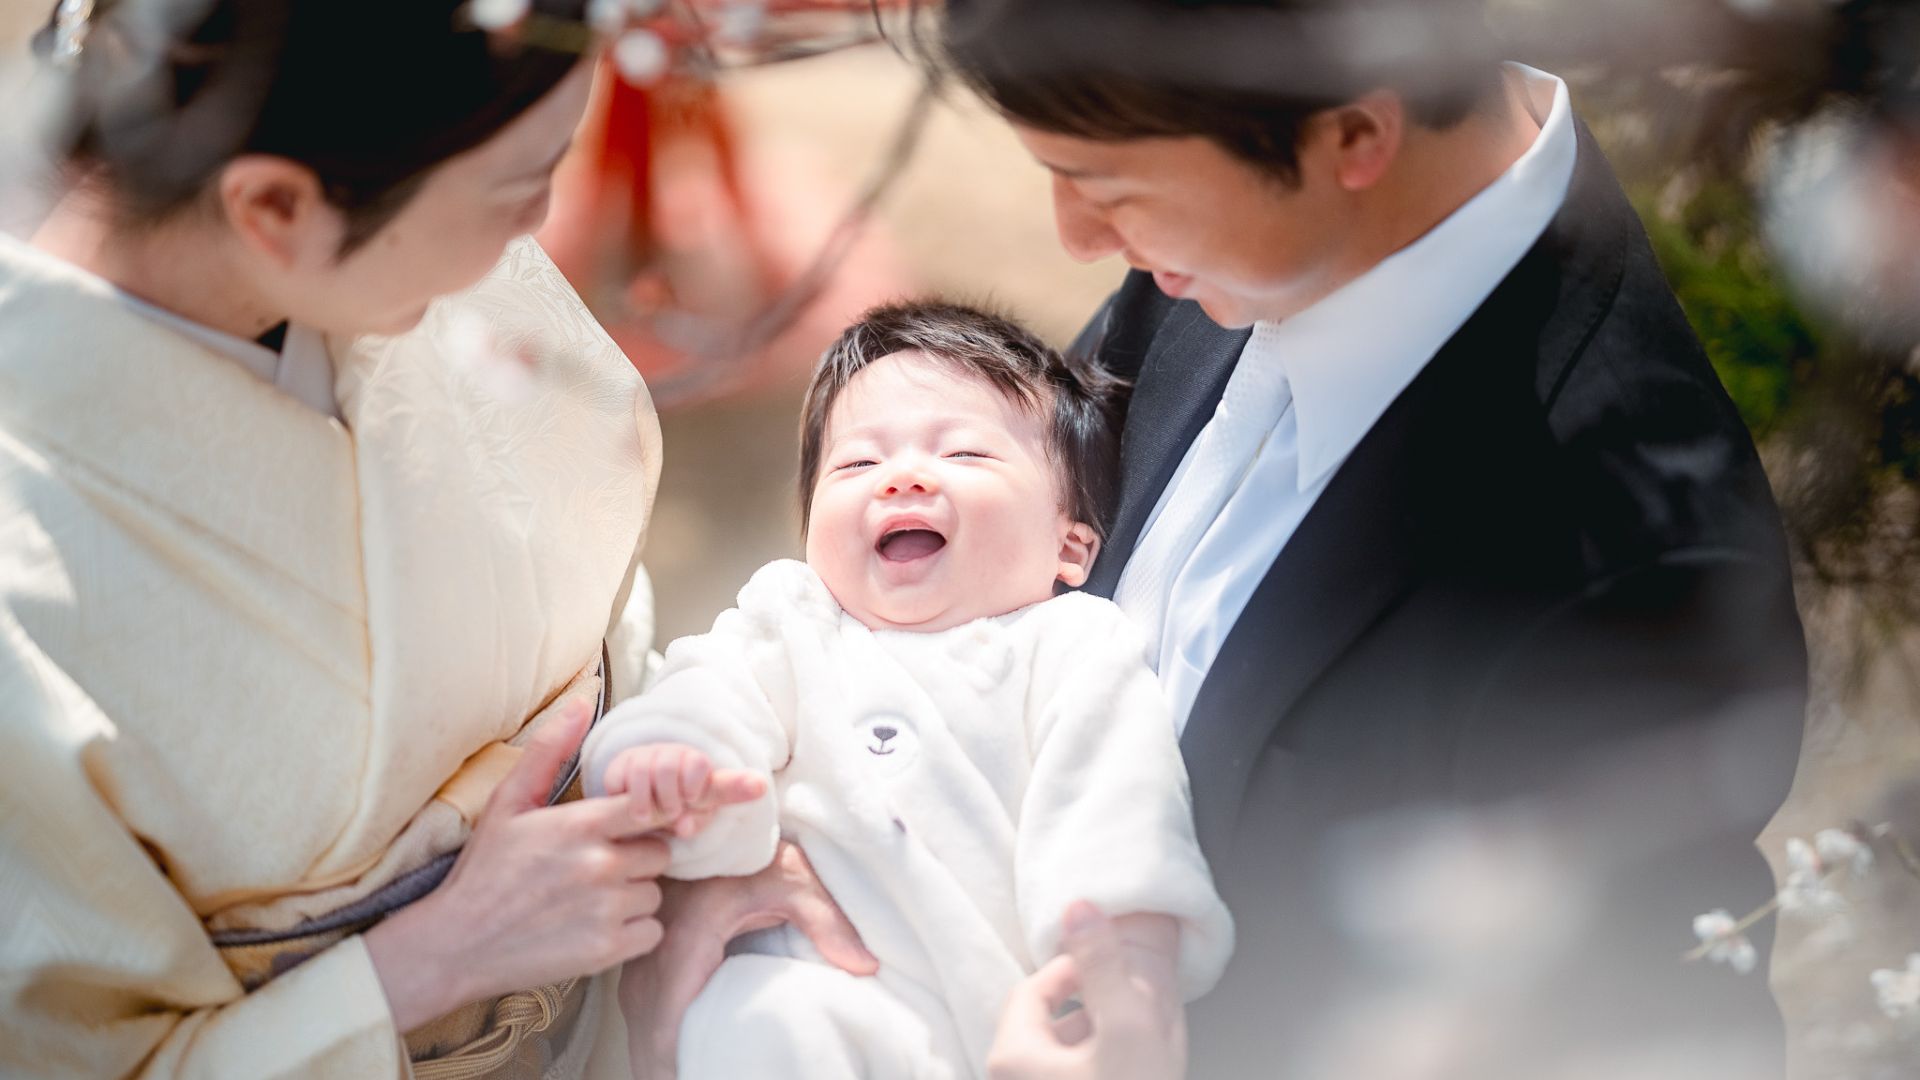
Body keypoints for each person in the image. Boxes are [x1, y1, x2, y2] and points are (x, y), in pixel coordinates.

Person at [932, 2, 1811, 1078]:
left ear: (1355, 136)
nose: (1077, 236)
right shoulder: (1244, 233)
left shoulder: (1625, 576)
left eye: (1109, 187)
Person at [0, 1, 876, 1076]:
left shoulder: (378, 238)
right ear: (276, 204)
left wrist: (690, 813)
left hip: (659, 971)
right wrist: (430, 960)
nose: (541, 225)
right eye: (520, 188)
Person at [583, 301, 1234, 1079]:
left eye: (964, 453)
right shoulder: (792, 621)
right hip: (800, 982)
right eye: (857, 465)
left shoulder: (1073, 647)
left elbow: (1118, 799)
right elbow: (706, 696)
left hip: (978, 1031)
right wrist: (672, 766)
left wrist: (1126, 950)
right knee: (758, 1025)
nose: (903, 477)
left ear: (1070, 544)